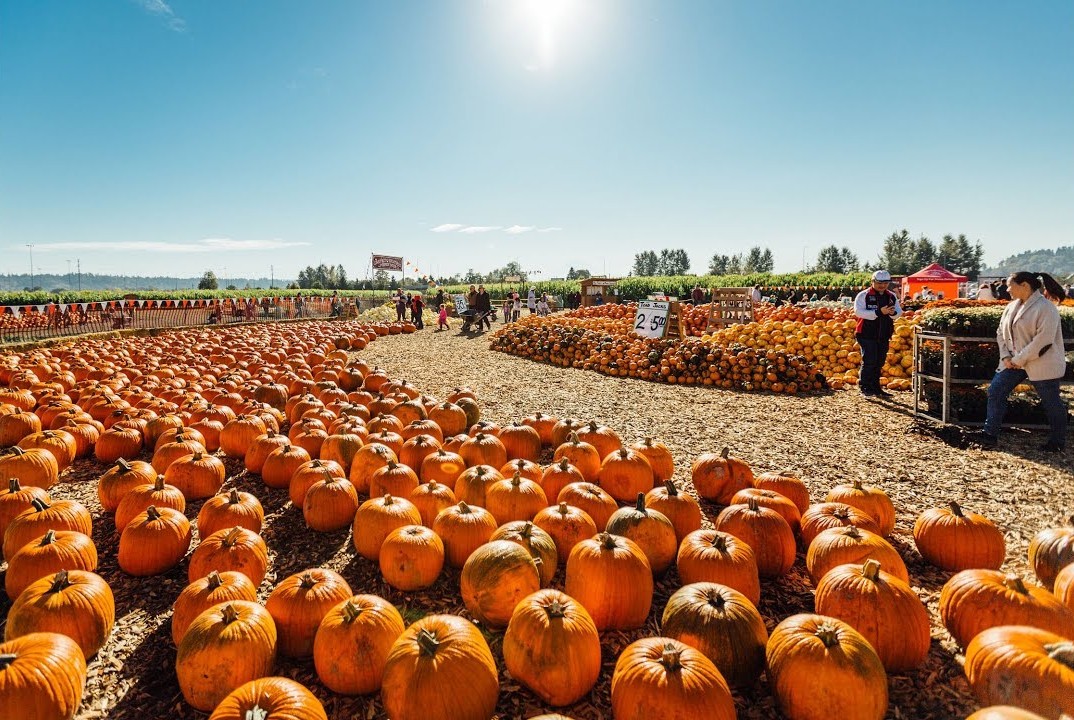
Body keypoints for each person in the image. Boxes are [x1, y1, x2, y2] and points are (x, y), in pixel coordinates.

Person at [972, 272, 1068, 453]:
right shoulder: (1011, 306)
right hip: (1013, 362)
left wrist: (1018, 359)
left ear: (1024, 285)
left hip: (1041, 362)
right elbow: (1001, 332)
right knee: (996, 390)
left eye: (1010, 285)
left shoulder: (1046, 308)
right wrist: (1006, 357)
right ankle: (989, 433)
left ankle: (1057, 441)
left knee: (1051, 401)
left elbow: (1044, 340)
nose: (1006, 289)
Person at [854, 270, 902, 398]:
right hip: (866, 333)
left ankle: (876, 387)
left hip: (884, 333)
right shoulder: (863, 295)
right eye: (879, 282)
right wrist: (878, 312)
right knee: (869, 360)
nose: (882, 285)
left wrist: (892, 314)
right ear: (873, 281)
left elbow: (898, 312)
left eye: (885, 283)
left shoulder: (891, 295)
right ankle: (864, 386)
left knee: (879, 361)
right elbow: (858, 312)